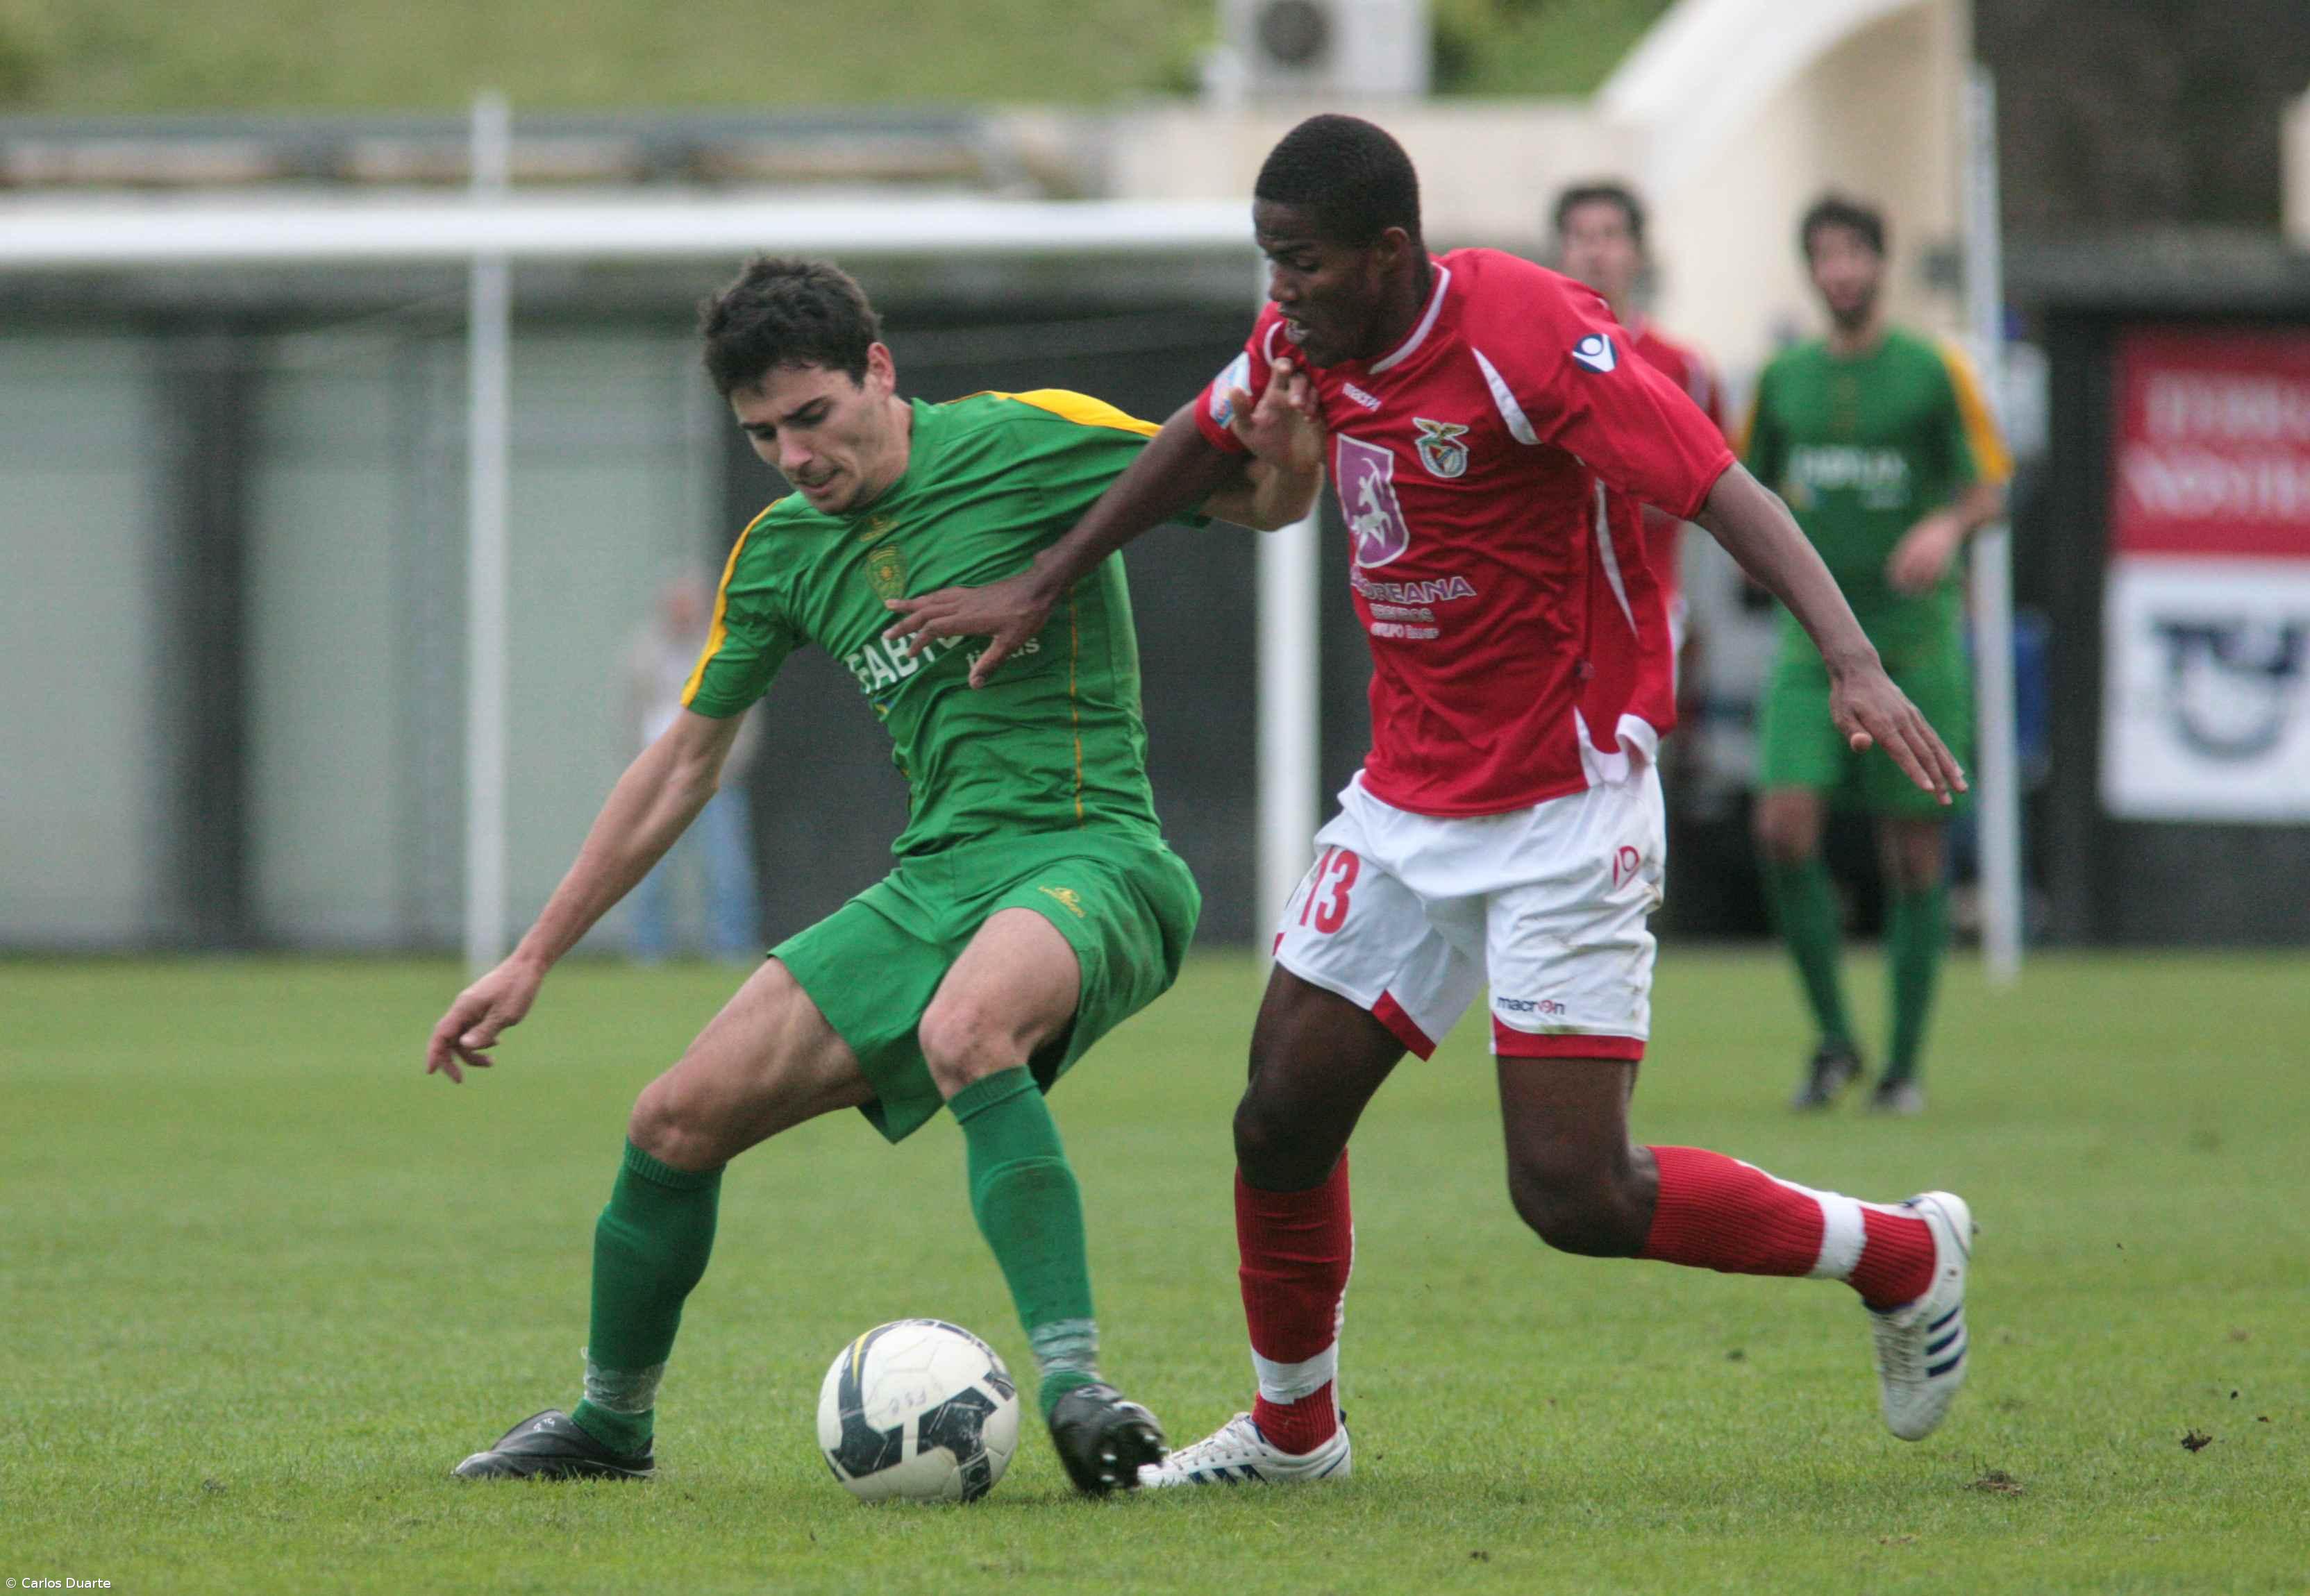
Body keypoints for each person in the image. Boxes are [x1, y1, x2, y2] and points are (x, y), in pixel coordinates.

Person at [885, 115, 1978, 1488]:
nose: (1280, 290)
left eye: (1303, 263)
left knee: (1573, 1195)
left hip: (1566, 802)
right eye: (1268, 261)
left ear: (1389, 253)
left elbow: (1718, 483)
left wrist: (1853, 659)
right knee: (1277, 1115)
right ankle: (1294, 1436)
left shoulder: (1527, 336)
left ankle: (1900, 1252)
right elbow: (1196, 433)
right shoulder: (1309, 341)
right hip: (1407, 801)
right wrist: (1043, 581)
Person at [429, 256, 1323, 1492]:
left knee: (969, 1027)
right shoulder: (784, 551)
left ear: (879, 372)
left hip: (1092, 851)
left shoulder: (1026, 440)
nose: (793, 454)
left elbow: (1260, 502)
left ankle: (1076, 1389)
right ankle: (609, 1423)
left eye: (812, 415)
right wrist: (533, 954)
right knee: (670, 1121)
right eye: (760, 433)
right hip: (934, 882)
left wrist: (1292, 449)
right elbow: (683, 761)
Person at [1743, 194, 2011, 1116]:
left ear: (1880, 263)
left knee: (1913, 854)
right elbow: (1743, 490)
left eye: (1855, 252)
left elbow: (1989, 483)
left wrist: (1942, 523)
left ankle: (1900, 1065)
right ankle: (1831, 1040)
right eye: (1824, 255)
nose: (1840, 271)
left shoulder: (1932, 371)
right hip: (1808, 644)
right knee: (1780, 827)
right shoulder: (1780, 379)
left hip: (1912, 638)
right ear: (1809, 269)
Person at [1551, 180, 1726, 660]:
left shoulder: (1682, 367)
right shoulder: (1532, 360)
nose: (1594, 251)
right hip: (1549, 612)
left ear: (1637, 252)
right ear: (1560, 251)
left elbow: (1711, 487)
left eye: (1609, 235)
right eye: (1580, 236)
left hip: (1648, 603)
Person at [624, 576, 762, 961]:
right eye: (677, 603)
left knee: (726, 868)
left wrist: (728, 763)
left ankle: (731, 947)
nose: (683, 612)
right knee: (648, 867)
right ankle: (648, 950)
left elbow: (747, 712)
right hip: (659, 779)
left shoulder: (721, 648)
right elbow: (631, 713)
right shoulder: (644, 652)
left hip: (715, 777)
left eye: (690, 604)